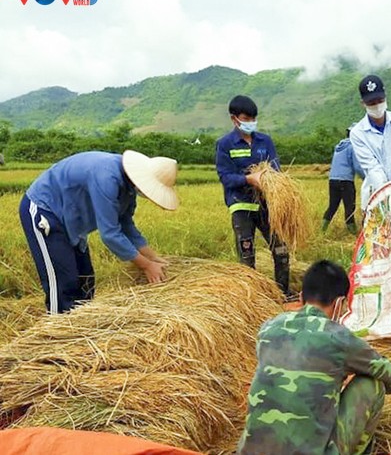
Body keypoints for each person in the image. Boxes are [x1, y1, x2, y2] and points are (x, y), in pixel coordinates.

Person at [237, 260, 391, 455]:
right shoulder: (338, 337)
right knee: (372, 384)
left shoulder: (268, 328)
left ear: (301, 297)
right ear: (340, 302)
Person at [18, 150, 178, 314]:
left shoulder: (128, 188)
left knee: (85, 281)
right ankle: (58, 332)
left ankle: (83, 327)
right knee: (64, 282)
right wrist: (146, 265)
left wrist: (153, 258)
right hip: (45, 210)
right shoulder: (107, 177)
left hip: (72, 220)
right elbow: (110, 234)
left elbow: (126, 225)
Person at [215, 95, 292, 300]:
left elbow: (275, 168)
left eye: (253, 118)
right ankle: (254, 298)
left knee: (281, 249)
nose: (250, 122)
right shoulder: (225, 144)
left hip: (268, 205)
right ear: (234, 119)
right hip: (241, 206)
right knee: (247, 254)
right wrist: (249, 179)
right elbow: (226, 177)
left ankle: (283, 292)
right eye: (245, 118)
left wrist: (269, 180)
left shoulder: (264, 141)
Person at [350, 74, 391, 211]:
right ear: (363, 103)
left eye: (379, 100)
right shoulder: (358, 133)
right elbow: (372, 168)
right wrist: (387, 195)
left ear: (385, 97)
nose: (377, 106)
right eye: (371, 103)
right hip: (375, 195)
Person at [322, 123, 365, 235]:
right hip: (345, 181)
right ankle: (353, 233)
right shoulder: (352, 147)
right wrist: (366, 178)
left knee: (332, 206)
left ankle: (321, 231)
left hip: (333, 180)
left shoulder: (339, 147)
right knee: (350, 206)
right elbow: (357, 166)